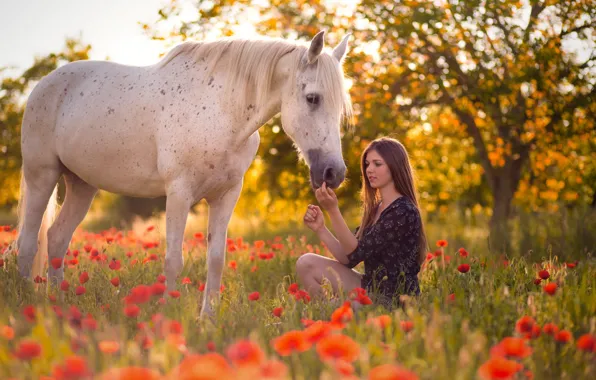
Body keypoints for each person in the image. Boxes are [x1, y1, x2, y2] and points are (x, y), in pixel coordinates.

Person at [296, 137, 427, 308]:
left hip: (394, 299)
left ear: (395, 166)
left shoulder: (403, 211)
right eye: (367, 164)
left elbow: (354, 251)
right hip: (371, 287)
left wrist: (333, 210)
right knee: (306, 263)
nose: (369, 170)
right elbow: (348, 259)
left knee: (338, 306)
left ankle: (324, 317)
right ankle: (323, 317)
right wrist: (321, 229)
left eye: (377, 164)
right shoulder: (376, 209)